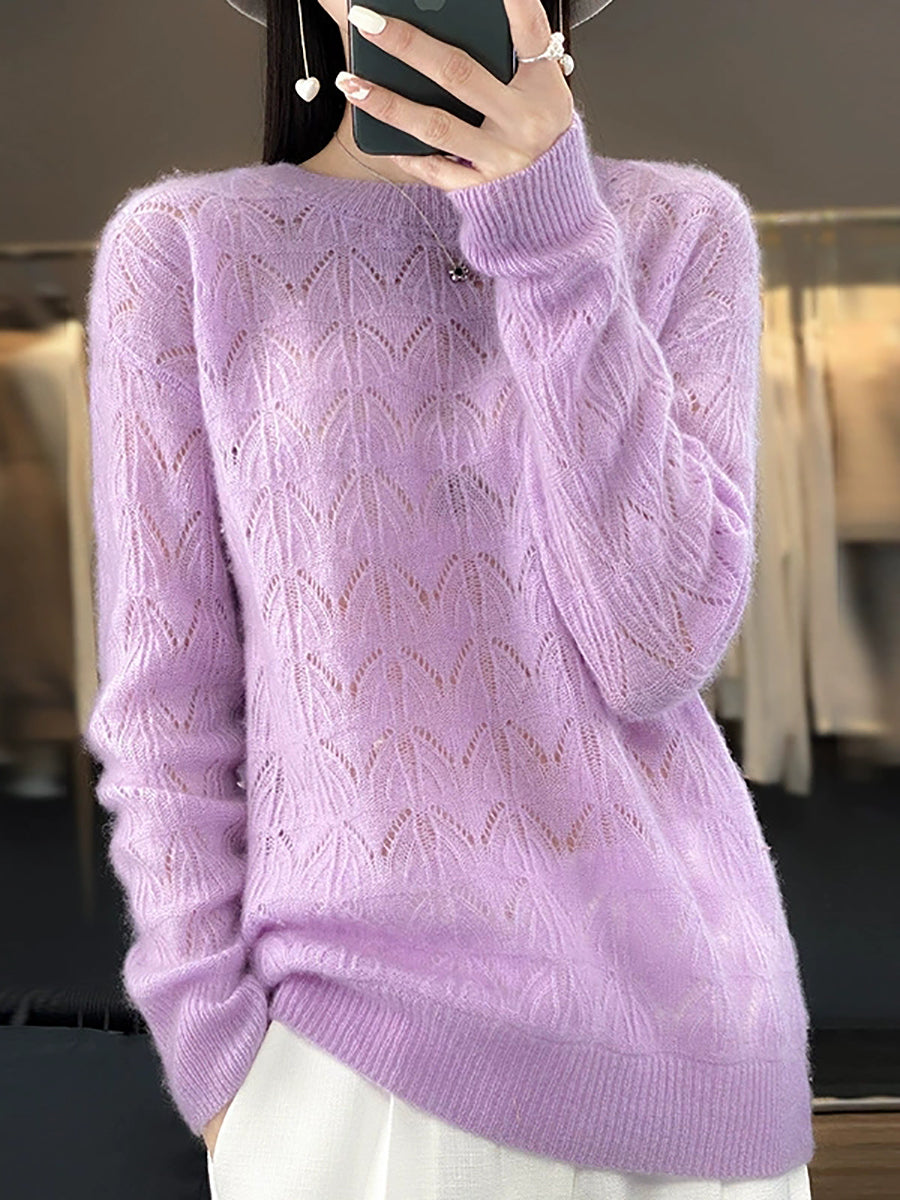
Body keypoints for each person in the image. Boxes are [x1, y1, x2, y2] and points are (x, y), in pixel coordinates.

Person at [83, 0, 816, 1195]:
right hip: (357, 1056)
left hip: (693, 1043)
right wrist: (211, 1048)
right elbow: (167, 702)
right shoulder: (188, 248)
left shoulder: (678, 229)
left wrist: (551, 229)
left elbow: (657, 649)